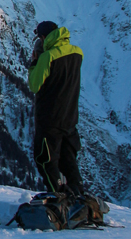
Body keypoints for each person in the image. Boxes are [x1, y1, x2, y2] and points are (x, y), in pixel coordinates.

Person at [27, 21, 84, 195]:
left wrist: (35, 64)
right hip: (70, 116)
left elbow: (34, 85)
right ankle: (78, 195)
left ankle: (57, 196)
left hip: (50, 118)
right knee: (68, 160)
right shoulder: (77, 53)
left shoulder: (48, 57)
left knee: (45, 160)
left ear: (44, 37)